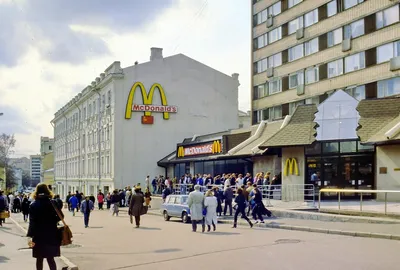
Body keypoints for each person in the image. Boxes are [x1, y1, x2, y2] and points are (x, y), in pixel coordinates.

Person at [27, 183, 63, 270]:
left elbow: (32, 222)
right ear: (48, 190)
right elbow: (61, 216)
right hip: (51, 233)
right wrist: (53, 221)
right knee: (50, 258)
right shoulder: (53, 203)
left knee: (39, 258)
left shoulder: (33, 205)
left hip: (38, 235)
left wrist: (30, 236)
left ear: (36, 191)